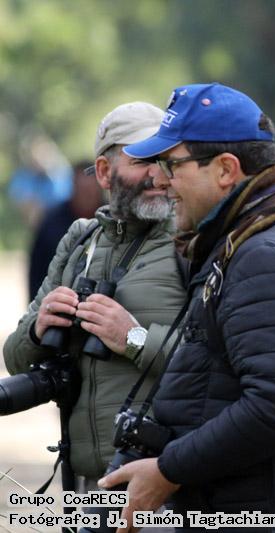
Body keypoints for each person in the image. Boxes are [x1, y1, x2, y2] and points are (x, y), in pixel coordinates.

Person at [99, 83, 275, 533]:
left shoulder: (267, 255)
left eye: (171, 164)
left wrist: (167, 471)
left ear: (225, 170)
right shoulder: (242, 244)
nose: (160, 180)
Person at [3, 102, 186, 493]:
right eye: (142, 161)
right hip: (90, 482)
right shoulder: (80, 241)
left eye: (166, 161)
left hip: (168, 480)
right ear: (103, 171)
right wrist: (38, 329)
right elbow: (15, 359)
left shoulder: (192, 242)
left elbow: (216, 365)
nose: (157, 175)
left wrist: (134, 339)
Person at [28, 160, 106, 300]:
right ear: (73, 187)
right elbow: (37, 270)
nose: (87, 196)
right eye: (82, 190)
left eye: (91, 190)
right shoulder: (51, 222)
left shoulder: (115, 219)